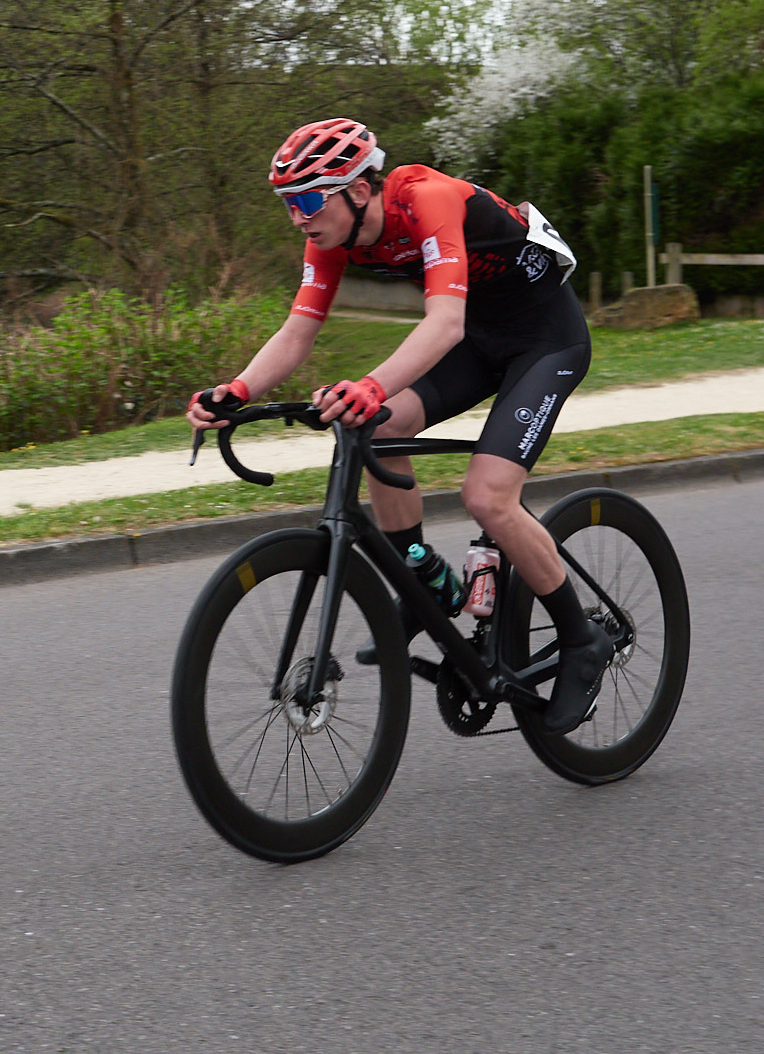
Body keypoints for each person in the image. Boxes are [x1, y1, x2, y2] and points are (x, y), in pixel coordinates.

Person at [185, 117, 611, 734]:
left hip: (544, 342)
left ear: (359, 190)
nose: (298, 218)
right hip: (477, 343)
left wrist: (370, 385)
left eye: (309, 201)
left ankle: (582, 640)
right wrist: (238, 390)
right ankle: (425, 579)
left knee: (487, 497)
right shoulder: (331, 237)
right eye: (288, 204)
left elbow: (444, 324)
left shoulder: (427, 201)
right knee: (377, 429)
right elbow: (299, 331)